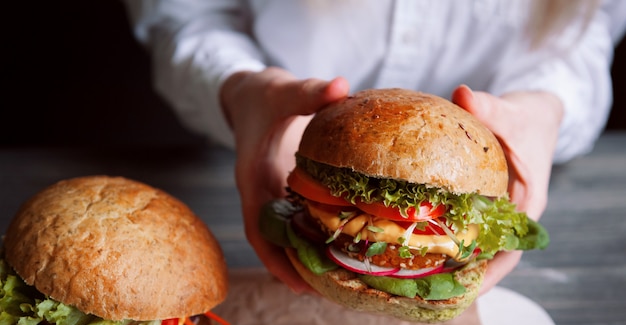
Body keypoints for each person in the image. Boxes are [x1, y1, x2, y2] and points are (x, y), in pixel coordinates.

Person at [124, 0, 626, 294]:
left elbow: (592, 22)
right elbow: (186, 12)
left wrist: (548, 106)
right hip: (262, 149)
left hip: (497, 166)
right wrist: (237, 87)